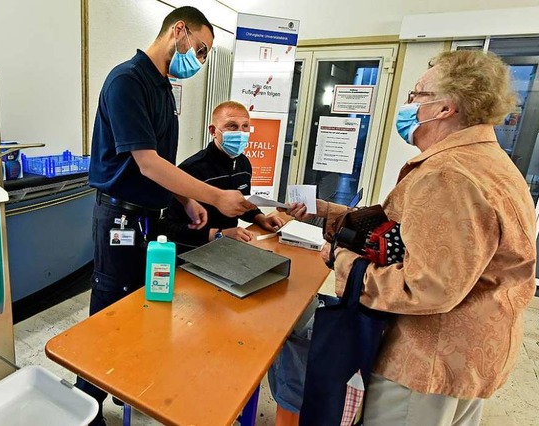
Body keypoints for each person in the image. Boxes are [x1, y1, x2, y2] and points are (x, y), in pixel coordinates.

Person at [284, 50, 536, 425]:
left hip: (427, 361)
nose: (408, 105)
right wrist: (329, 212)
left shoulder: (450, 176)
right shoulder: (488, 162)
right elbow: (404, 230)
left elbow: (427, 286)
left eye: (416, 95)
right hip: (468, 355)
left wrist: (343, 262)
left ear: (445, 108)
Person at [78, 7, 255, 425]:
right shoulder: (127, 81)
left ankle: (127, 387)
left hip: (150, 217)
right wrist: (214, 196)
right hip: (120, 219)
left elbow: (164, 165)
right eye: (201, 48)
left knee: (145, 305)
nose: (200, 59)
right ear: (179, 30)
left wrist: (186, 200)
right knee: (110, 312)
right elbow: (147, 164)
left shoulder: (163, 88)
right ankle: (85, 406)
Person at [162, 100, 285, 252]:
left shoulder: (244, 164)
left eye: (245, 126)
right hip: (191, 254)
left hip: (226, 250)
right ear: (213, 131)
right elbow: (169, 228)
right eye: (232, 126)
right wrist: (218, 235)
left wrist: (260, 217)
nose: (240, 133)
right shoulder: (190, 170)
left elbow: (243, 204)